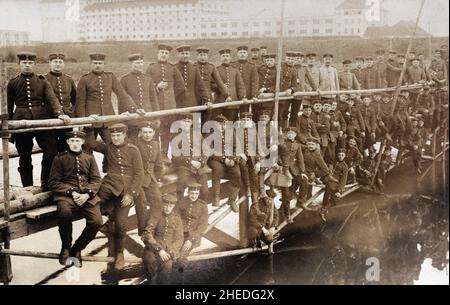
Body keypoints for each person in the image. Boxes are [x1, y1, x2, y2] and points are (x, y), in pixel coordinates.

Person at [7, 51, 70, 190]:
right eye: (24, 63)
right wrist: (10, 127)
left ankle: (45, 184)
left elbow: (51, 99)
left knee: (51, 152)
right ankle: (27, 187)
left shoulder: (42, 81)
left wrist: (59, 113)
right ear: (19, 64)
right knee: (24, 156)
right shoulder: (12, 83)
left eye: (30, 63)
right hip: (20, 121)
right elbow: (9, 106)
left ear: (34, 64)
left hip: (42, 119)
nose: (27, 66)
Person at [48, 131, 103, 267]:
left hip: (86, 196)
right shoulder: (60, 158)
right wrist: (71, 192)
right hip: (66, 196)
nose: (74, 143)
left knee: (97, 222)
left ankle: (77, 248)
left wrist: (87, 194)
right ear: (67, 142)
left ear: (83, 142)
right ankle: (66, 247)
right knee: (64, 213)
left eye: (77, 141)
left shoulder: (89, 157)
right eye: (71, 141)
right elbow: (53, 182)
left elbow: (96, 180)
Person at [96, 123, 145, 270]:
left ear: (124, 135)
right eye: (113, 135)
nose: (116, 138)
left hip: (126, 191)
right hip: (110, 186)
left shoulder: (133, 150)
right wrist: (92, 123)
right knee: (92, 206)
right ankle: (106, 220)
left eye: (119, 135)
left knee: (121, 223)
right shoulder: (108, 147)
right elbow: (90, 143)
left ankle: (119, 253)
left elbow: (139, 174)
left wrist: (131, 194)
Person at [75, 52, 136, 153]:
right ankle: (90, 168)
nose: (98, 65)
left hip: (108, 119)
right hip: (90, 121)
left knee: (112, 145)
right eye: (95, 63)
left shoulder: (110, 77)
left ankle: (108, 168)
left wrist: (134, 108)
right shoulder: (84, 79)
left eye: (100, 63)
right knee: (87, 147)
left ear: (104, 64)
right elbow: (80, 102)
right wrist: (83, 121)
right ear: (90, 64)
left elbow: (122, 95)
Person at [146, 44, 185, 163]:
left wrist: (171, 94)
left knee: (167, 132)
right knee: (155, 130)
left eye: (166, 53)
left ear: (169, 55)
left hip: (169, 107)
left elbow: (181, 86)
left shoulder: (172, 68)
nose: (164, 54)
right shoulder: (151, 68)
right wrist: (156, 86)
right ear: (157, 54)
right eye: (162, 52)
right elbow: (145, 85)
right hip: (155, 106)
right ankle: (155, 157)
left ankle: (163, 155)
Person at [142, 194, 184, 285]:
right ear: (163, 205)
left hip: (168, 250)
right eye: (166, 205)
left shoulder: (177, 219)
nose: (168, 208)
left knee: (167, 268)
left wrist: (171, 251)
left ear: (173, 206)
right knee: (150, 262)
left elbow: (179, 238)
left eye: (170, 206)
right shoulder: (155, 216)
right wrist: (159, 249)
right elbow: (147, 233)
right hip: (152, 248)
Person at [171, 113, 209, 203]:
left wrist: (201, 162)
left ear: (191, 122)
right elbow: (175, 157)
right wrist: (190, 161)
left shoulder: (197, 133)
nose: (186, 124)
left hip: (200, 167)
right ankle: (180, 209)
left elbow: (206, 150)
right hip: (185, 167)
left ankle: (201, 209)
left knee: (205, 191)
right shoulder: (175, 136)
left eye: (188, 121)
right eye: (184, 121)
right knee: (181, 187)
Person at [120, 53, 160, 139]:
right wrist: (123, 120)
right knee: (133, 142)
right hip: (132, 119)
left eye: (141, 62)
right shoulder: (124, 80)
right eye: (137, 63)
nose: (140, 65)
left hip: (147, 117)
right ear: (131, 64)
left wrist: (156, 117)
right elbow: (122, 101)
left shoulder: (148, 79)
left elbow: (154, 99)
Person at [207, 115, 241, 212]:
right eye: (219, 124)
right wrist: (223, 159)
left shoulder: (231, 133)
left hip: (230, 159)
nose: (222, 126)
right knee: (218, 170)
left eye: (224, 124)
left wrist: (233, 160)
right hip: (215, 159)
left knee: (237, 174)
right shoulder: (210, 134)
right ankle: (216, 197)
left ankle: (232, 199)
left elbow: (237, 147)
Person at [134, 121, 164, 230]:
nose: (147, 135)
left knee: (158, 200)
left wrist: (159, 178)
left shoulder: (156, 144)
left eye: (150, 132)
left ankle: (151, 226)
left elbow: (159, 163)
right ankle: (142, 228)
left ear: (154, 133)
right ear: (141, 133)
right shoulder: (136, 144)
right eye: (145, 132)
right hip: (137, 179)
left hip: (151, 178)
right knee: (141, 203)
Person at [44, 53, 77, 152]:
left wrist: (72, 113)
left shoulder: (69, 79)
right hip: (49, 118)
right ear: (50, 63)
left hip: (67, 120)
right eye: (55, 62)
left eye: (60, 62)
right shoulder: (43, 79)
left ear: (64, 64)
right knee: (50, 151)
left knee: (65, 149)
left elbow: (75, 100)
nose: (57, 64)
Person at [177, 182, 209, 272]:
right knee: (173, 251)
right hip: (180, 233)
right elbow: (178, 218)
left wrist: (190, 239)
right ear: (188, 193)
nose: (194, 196)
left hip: (194, 236)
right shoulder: (182, 202)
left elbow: (203, 225)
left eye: (196, 194)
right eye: (192, 193)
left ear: (199, 194)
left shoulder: (203, 206)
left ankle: (181, 276)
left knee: (182, 254)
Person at [278, 127, 307, 221]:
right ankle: (287, 214)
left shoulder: (297, 145)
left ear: (295, 135)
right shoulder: (282, 143)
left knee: (303, 181)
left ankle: (300, 201)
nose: (290, 135)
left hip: (294, 170)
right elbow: (277, 155)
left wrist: (302, 171)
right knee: (286, 193)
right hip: (283, 169)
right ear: (286, 134)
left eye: (292, 133)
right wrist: (280, 164)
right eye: (288, 133)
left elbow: (300, 159)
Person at [194, 47, 229, 122]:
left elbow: (219, 82)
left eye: (204, 55)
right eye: (201, 55)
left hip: (208, 98)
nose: (202, 57)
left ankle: (205, 134)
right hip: (195, 97)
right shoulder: (193, 66)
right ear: (197, 56)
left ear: (207, 56)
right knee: (196, 120)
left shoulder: (211, 67)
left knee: (206, 119)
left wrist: (226, 95)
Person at [214, 48, 247, 121]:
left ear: (230, 58)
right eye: (223, 56)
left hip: (233, 102)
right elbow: (212, 84)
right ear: (220, 58)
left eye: (227, 56)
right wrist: (220, 87)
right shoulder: (216, 69)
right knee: (217, 123)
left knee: (231, 124)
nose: (225, 58)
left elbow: (240, 85)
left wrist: (243, 97)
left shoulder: (235, 70)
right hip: (220, 101)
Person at [174, 45, 210, 111]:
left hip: (192, 102)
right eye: (182, 54)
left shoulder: (194, 68)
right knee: (179, 121)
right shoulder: (174, 68)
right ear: (178, 55)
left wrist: (207, 100)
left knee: (196, 120)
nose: (185, 56)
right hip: (178, 103)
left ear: (189, 54)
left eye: (186, 54)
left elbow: (201, 85)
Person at [320, 148, 348, 222]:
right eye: (339, 155)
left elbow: (343, 179)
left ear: (344, 156)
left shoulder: (345, 166)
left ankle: (325, 208)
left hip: (335, 181)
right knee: (329, 187)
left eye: (342, 155)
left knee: (335, 196)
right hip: (327, 178)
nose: (340, 156)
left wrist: (340, 190)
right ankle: (324, 208)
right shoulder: (332, 162)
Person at [231, 45, 259, 114]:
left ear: (247, 54)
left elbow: (254, 82)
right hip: (234, 95)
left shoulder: (252, 66)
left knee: (244, 115)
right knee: (232, 116)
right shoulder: (232, 65)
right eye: (240, 52)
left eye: (244, 52)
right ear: (237, 54)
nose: (242, 54)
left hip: (246, 96)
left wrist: (254, 95)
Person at [257, 53, 277, 117]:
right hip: (258, 97)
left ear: (274, 61)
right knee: (256, 116)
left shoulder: (277, 71)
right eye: (267, 60)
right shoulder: (261, 69)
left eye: (271, 60)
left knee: (266, 117)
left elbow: (277, 85)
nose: (269, 62)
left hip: (269, 98)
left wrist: (267, 89)